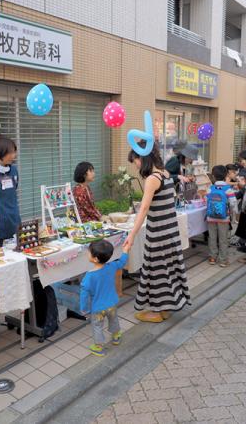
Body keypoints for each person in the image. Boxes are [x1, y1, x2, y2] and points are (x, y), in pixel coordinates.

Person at [124, 142, 190, 323]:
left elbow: (144, 208)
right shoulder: (166, 173)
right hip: (170, 232)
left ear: (142, 158)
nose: (135, 164)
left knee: (156, 272)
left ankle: (157, 311)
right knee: (168, 269)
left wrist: (131, 235)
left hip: (158, 234)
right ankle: (166, 308)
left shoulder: (152, 179)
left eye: (135, 160)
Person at [80, 240, 128, 356]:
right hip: (112, 303)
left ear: (95, 259)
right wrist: (125, 251)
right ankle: (116, 337)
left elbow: (84, 295)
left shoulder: (89, 276)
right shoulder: (111, 266)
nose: (88, 254)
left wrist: (84, 309)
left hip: (98, 308)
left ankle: (99, 347)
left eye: (89, 252)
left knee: (97, 326)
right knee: (113, 320)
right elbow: (121, 262)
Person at [0, 137, 21, 248]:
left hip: (14, 221)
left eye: (14, 152)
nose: (13, 156)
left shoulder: (14, 170)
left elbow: (14, 189)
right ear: (0, 152)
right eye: (10, 153)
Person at [207, 165, 237, 267]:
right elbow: (233, 204)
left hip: (211, 217)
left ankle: (212, 257)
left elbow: (207, 201)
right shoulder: (228, 189)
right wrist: (233, 216)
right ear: (226, 175)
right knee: (223, 239)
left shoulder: (210, 188)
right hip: (223, 218)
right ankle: (223, 260)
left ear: (213, 176)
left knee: (212, 237)